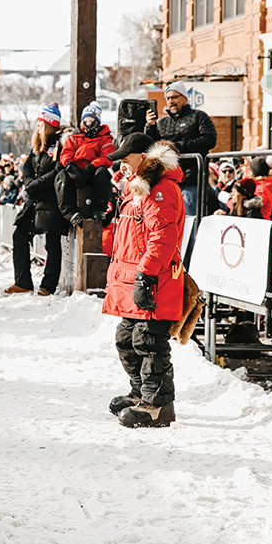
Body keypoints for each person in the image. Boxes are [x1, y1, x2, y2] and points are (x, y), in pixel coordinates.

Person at [103, 133, 185, 428]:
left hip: (155, 278)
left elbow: (162, 238)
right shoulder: (137, 188)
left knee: (149, 341)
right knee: (127, 338)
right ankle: (141, 393)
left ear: (143, 157)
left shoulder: (161, 190)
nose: (122, 165)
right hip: (135, 279)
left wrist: (146, 276)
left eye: (126, 159)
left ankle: (158, 405)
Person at [5, 103, 70, 296]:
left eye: (41, 124)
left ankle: (48, 285)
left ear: (49, 125)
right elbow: (26, 168)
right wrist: (29, 183)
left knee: (52, 243)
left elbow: (58, 171)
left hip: (50, 201)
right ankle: (23, 281)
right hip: (34, 201)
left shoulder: (59, 144)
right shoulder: (36, 148)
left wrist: (35, 185)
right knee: (19, 236)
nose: (38, 127)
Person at [144, 80, 217, 214]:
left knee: (191, 222)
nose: (171, 101)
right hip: (167, 181)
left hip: (192, 181)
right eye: (168, 98)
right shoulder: (162, 123)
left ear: (185, 98)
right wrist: (150, 126)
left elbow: (209, 140)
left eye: (175, 97)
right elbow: (151, 145)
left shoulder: (199, 117)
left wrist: (178, 146)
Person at [58, 101, 116, 224]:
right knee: (61, 176)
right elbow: (65, 154)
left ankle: (99, 209)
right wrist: (70, 166)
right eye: (86, 121)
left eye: (92, 121)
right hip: (76, 171)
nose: (88, 124)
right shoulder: (75, 137)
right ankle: (70, 212)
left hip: (93, 172)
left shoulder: (105, 138)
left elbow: (107, 157)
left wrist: (91, 166)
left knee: (103, 173)